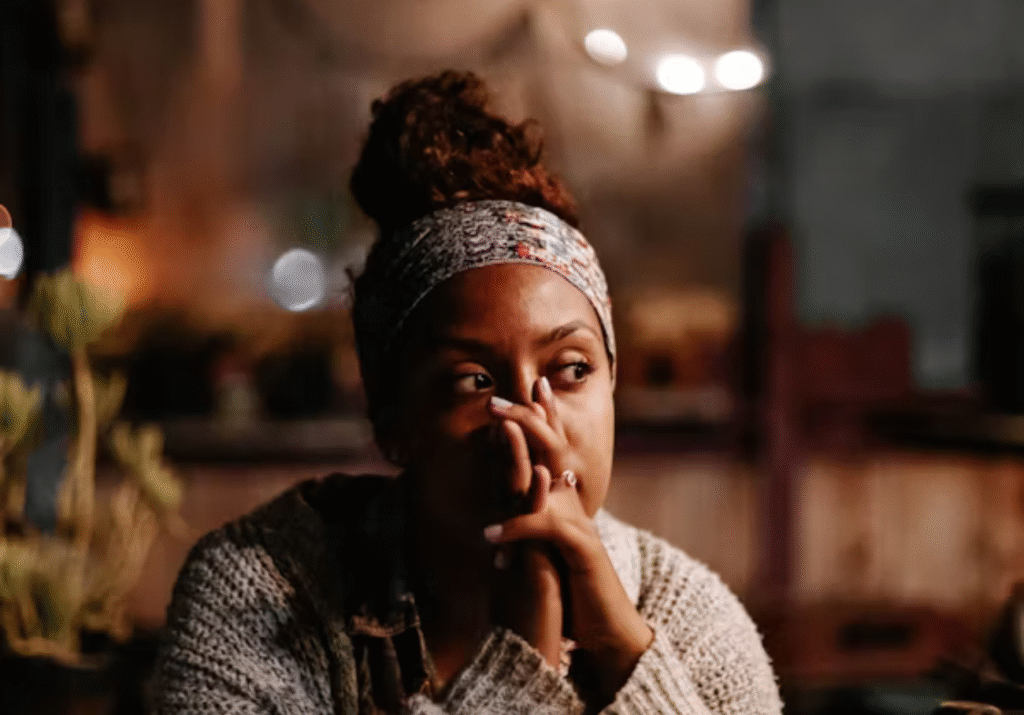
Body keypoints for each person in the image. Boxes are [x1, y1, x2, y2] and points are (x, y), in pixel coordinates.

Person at [150, 70, 783, 715]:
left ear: (614, 384)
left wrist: (622, 647)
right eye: (474, 382)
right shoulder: (263, 593)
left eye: (572, 370)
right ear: (389, 416)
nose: (532, 424)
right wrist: (523, 665)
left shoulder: (685, 616)